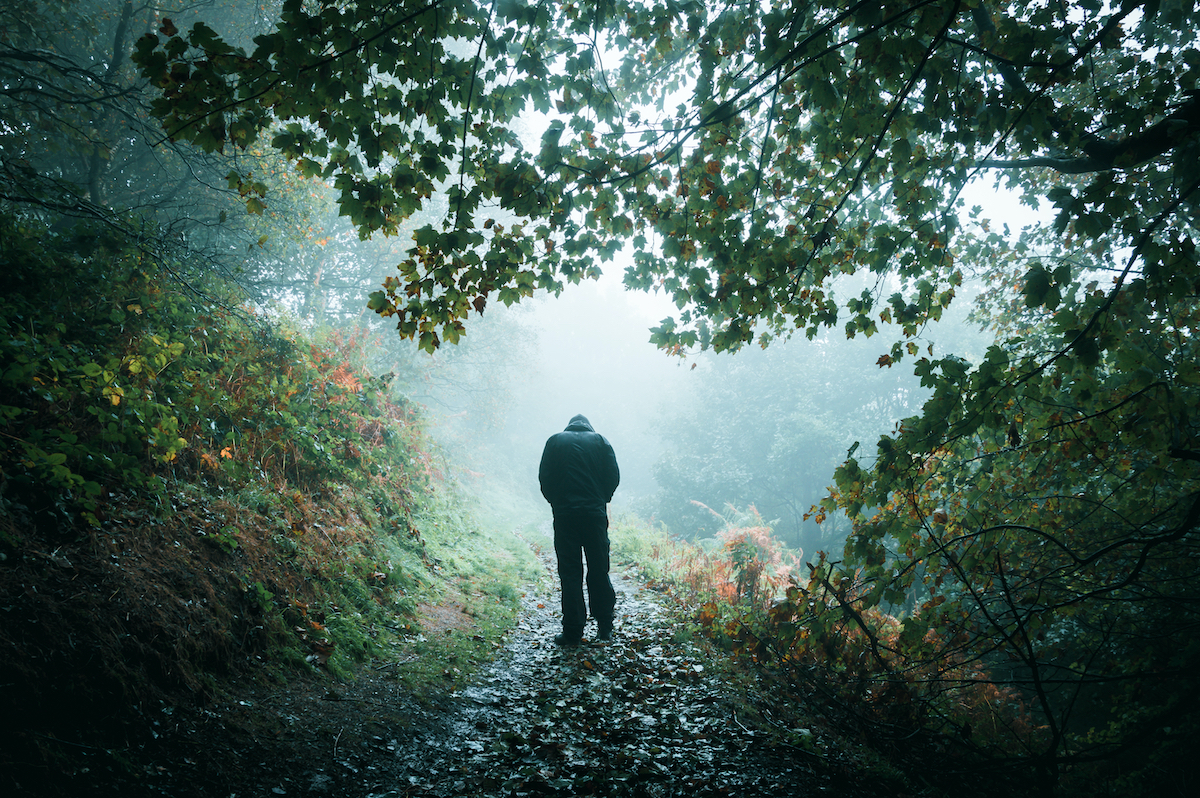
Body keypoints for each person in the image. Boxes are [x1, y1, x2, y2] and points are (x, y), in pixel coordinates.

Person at [538, 414, 620, 646]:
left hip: (565, 517)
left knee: (570, 573)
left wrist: (557, 502)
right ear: (588, 427)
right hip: (594, 516)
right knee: (598, 569)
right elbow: (613, 476)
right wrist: (601, 499)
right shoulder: (601, 441)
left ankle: (573, 632)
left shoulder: (554, 441)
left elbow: (545, 477)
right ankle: (605, 628)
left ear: (569, 426)